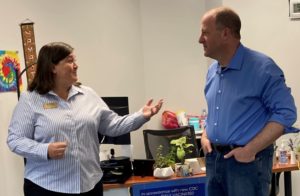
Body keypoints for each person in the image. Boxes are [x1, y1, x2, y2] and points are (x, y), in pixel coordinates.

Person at [7, 42, 163, 196]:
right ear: (52, 67)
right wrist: (45, 150)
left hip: (90, 185)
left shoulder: (88, 94)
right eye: (69, 61)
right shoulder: (31, 99)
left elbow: (113, 126)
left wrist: (141, 116)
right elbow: (15, 140)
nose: (76, 65)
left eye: (75, 60)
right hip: (47, 187)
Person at [199, 7, 297, 196]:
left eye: (205, 33)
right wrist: (205, 135)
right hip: (214, 161)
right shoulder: (212, 71)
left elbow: (286, 113)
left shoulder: (262, 68)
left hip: (246, 165)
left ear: (225, 33)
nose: (200, 39)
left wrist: (250, 150)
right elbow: (217, 113)